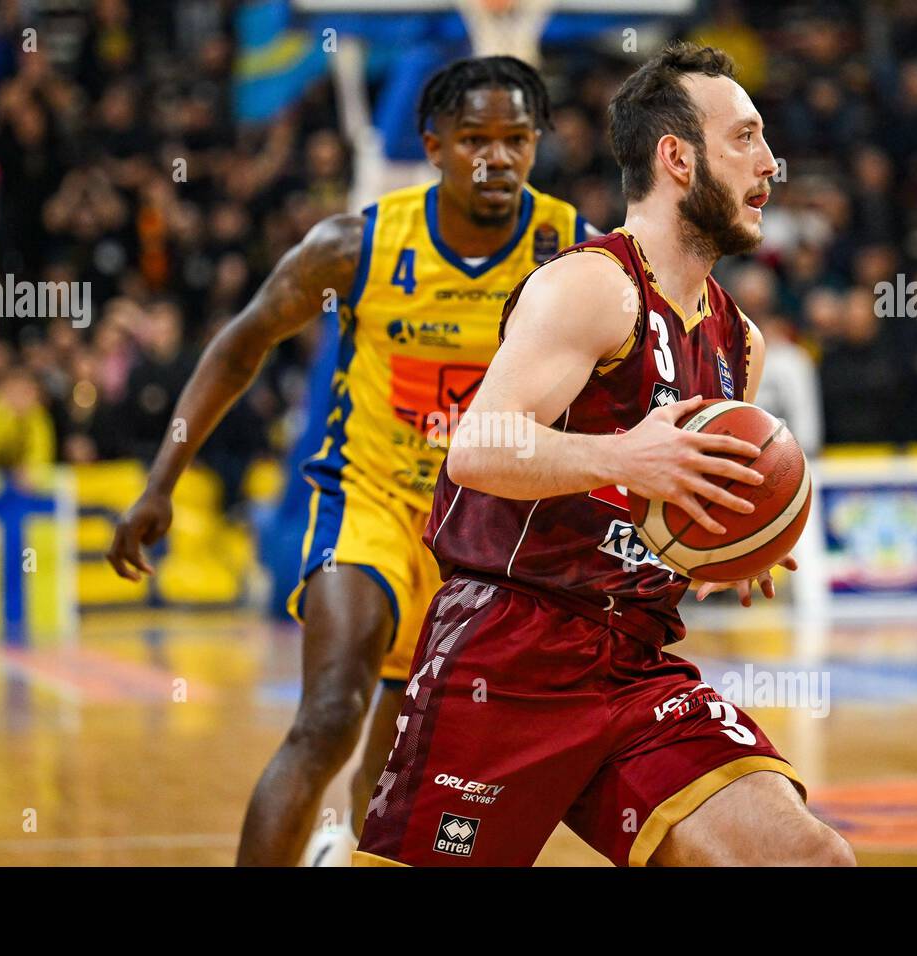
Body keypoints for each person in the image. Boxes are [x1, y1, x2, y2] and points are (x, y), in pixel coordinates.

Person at [355, 43, 854, 867]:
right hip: (509, 651)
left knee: (809, 860)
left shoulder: (742, 343)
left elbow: (667, 505)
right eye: (746, 139)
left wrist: (728, 536)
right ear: (677, 158)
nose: (771, 164)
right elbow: (476, 447)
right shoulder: (592, 287)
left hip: (635, 663)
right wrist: (629, 457)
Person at [106, 56, 591, 866]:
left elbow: (651, 377)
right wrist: (162, 482)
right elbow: (240, 345)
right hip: (365, 502)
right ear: (433, 145)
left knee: (408, 759)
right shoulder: (358, 245)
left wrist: (719, 520)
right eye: (475, 138)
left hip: (481, 534)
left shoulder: (570, 252)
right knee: (330, 714)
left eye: (516, 138)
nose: (496, 157)